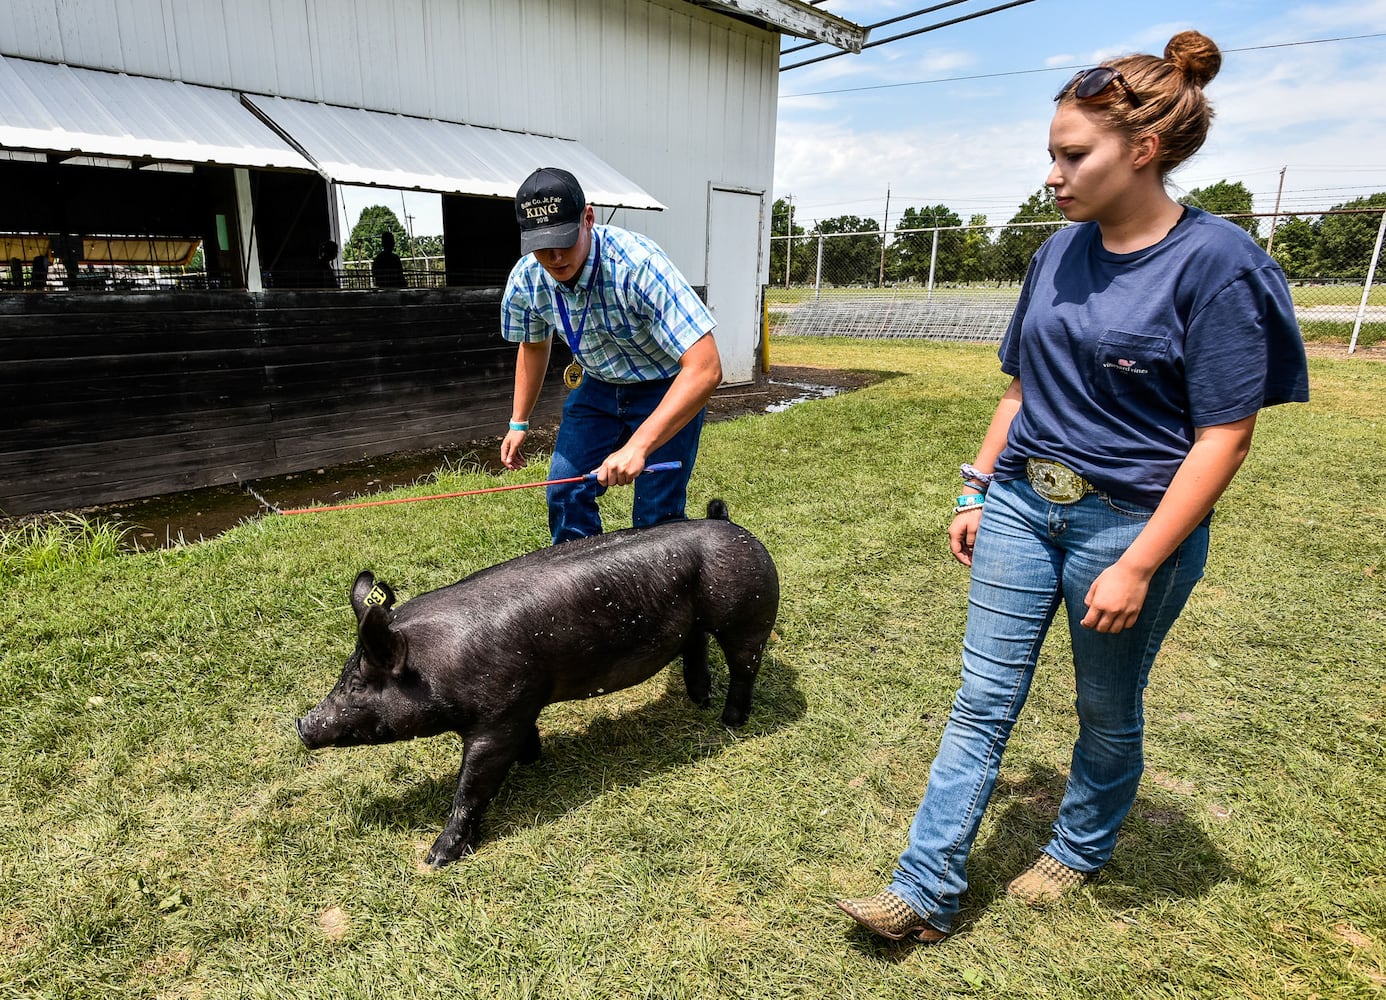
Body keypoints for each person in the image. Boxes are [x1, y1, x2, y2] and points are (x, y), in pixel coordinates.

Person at [837, 30, 1309, 944]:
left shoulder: (1218, 262)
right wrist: (977, 488)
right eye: (1051, 154)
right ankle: (923, 891)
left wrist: (1136, 564)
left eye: (1071, 154)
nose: (1052, 174)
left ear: (1143, 151)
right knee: (982, 700)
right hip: (1022, 504)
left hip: (1132, 525)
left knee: (1104, 705)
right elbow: (1021, 389)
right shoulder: (1056, 252)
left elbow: (1225, 437)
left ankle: (1081, 844)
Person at [500, 166, 722, 544]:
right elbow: (533, 344)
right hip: (598, 387)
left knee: (657, 517)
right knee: (564, 492)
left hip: (664, 385)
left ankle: (661, 597)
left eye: (564, 240)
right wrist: (518, 422)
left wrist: (637, 447)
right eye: (541, 246)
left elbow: (705, 368)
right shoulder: (527, 280)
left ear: (588, 218)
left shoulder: (637, 266)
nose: (554, 257)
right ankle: (582, 593)